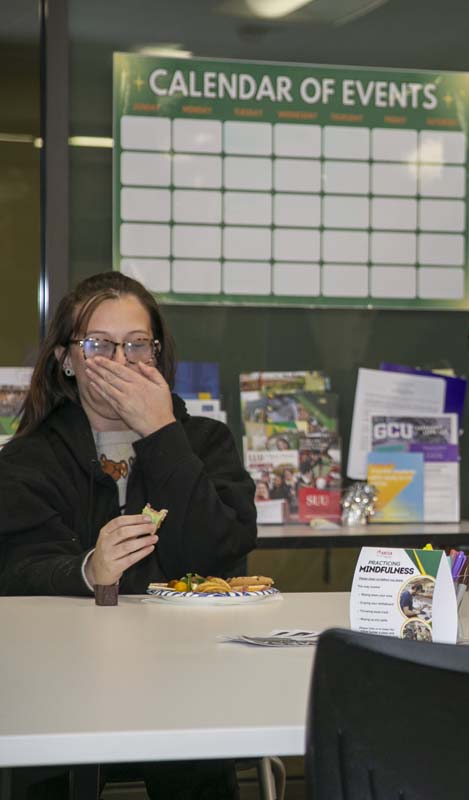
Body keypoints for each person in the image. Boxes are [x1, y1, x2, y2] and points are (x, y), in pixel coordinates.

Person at [0, 272, 256, 798]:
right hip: (60, 689)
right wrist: (88, 570)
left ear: (158, 356)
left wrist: (161, 434)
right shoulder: (30, 457)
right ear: (66, 360)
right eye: (100, 345)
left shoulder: (204, 442)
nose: (121, 362)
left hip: (188, 684)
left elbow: (221, 554)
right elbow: (16, 567)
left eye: (138, 345)